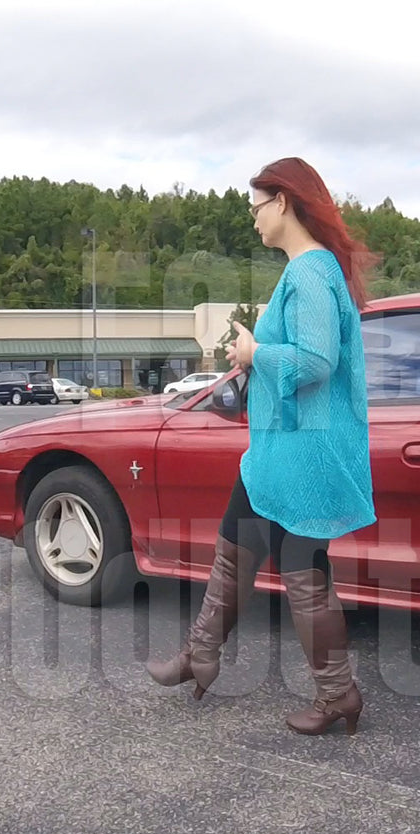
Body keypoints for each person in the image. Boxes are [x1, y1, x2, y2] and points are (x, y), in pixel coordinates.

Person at [146, 157, 377, 737]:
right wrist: (254, 354)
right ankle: (201, 654)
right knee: (234, 547)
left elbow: (317, 362)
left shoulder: (311, 271)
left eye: (256, 207)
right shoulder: (307, 270)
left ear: (283, 202)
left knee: (304, 573)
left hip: (305, 454)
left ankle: (338, 695)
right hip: (277, 453)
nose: (252, 219)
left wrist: (255, 353)